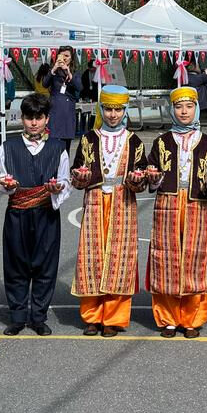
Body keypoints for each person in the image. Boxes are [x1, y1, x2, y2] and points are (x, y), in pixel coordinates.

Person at [70, 85, 147, 336]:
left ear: (125, 111)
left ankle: (114, 317)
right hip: (94, 200)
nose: (113, 114)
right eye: (108, 109)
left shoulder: (134, 141)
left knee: (119, 258)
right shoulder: (88, 139)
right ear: (101, 109)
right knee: (92, 257)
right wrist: (80, 176)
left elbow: (141, 179)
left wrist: (138, 178)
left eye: (118, 109)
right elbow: (77, 174)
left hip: (123, 202)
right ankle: (92, 315)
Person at [145, 86, 207, 337]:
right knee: (165, 258)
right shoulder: (162, 141)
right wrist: (153, 177)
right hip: (167, 203)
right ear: (172, 109)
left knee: (195, 259)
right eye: (179, 106)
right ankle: (167, 318)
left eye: (189, 106)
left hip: (197, 202)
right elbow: (151, 176)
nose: (184, 111)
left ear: (196, 108)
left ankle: (192, 318)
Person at [0, 91, 71, 335]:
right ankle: (17, 316)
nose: (34, 122)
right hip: (17, 213)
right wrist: (6, 187)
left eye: (39, 117)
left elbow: (65, 181)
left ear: (47, 119)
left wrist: (57, 189)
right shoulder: (8, 147)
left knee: (45, 266)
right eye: (29, 117)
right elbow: (1, 180)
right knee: (16, 265)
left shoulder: (58, 148)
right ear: (22, 118)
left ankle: (38, 316)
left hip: (46, 214)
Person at [44, 46, 80, 149]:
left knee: (65, 145)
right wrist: (54, 68)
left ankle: (65, 164)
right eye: (62, 55)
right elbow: (45, 84)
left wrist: (68, 72)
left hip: (67, 111)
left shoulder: (75, 72)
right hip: (55, 109)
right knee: (52, 142)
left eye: (67, 56)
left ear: (72, 58)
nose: (64, 58)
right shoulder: (54, 71)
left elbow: (79, 87)